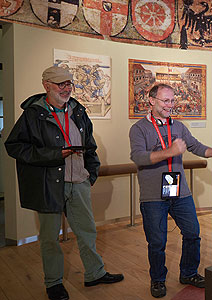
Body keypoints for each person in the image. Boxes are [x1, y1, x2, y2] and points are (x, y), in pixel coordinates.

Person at [4, 66, 124, 300]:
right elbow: (14, 147)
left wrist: (91, 172)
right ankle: (54, 283)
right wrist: (54, 154)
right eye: (61, 84)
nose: (67, 88)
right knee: (50, 238)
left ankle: (94, 273)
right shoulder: (32, 114)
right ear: (46, 85)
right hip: (49, 185)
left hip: (78, 182)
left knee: (87, 231)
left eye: (69, 83)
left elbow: (90, 144)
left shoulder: (78, 111)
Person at [129, 83, 212, 298]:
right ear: (151, 101)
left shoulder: (178, 126)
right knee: (157, 242)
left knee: (192, 233)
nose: (170, 105)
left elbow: (196, 147)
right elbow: (139, 157)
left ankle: (188, 273)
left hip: (180, 193)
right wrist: (171, 151)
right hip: (153, 196)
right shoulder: (138, 129)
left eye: (172, 100)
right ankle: (157, 280)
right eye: (165, 101)